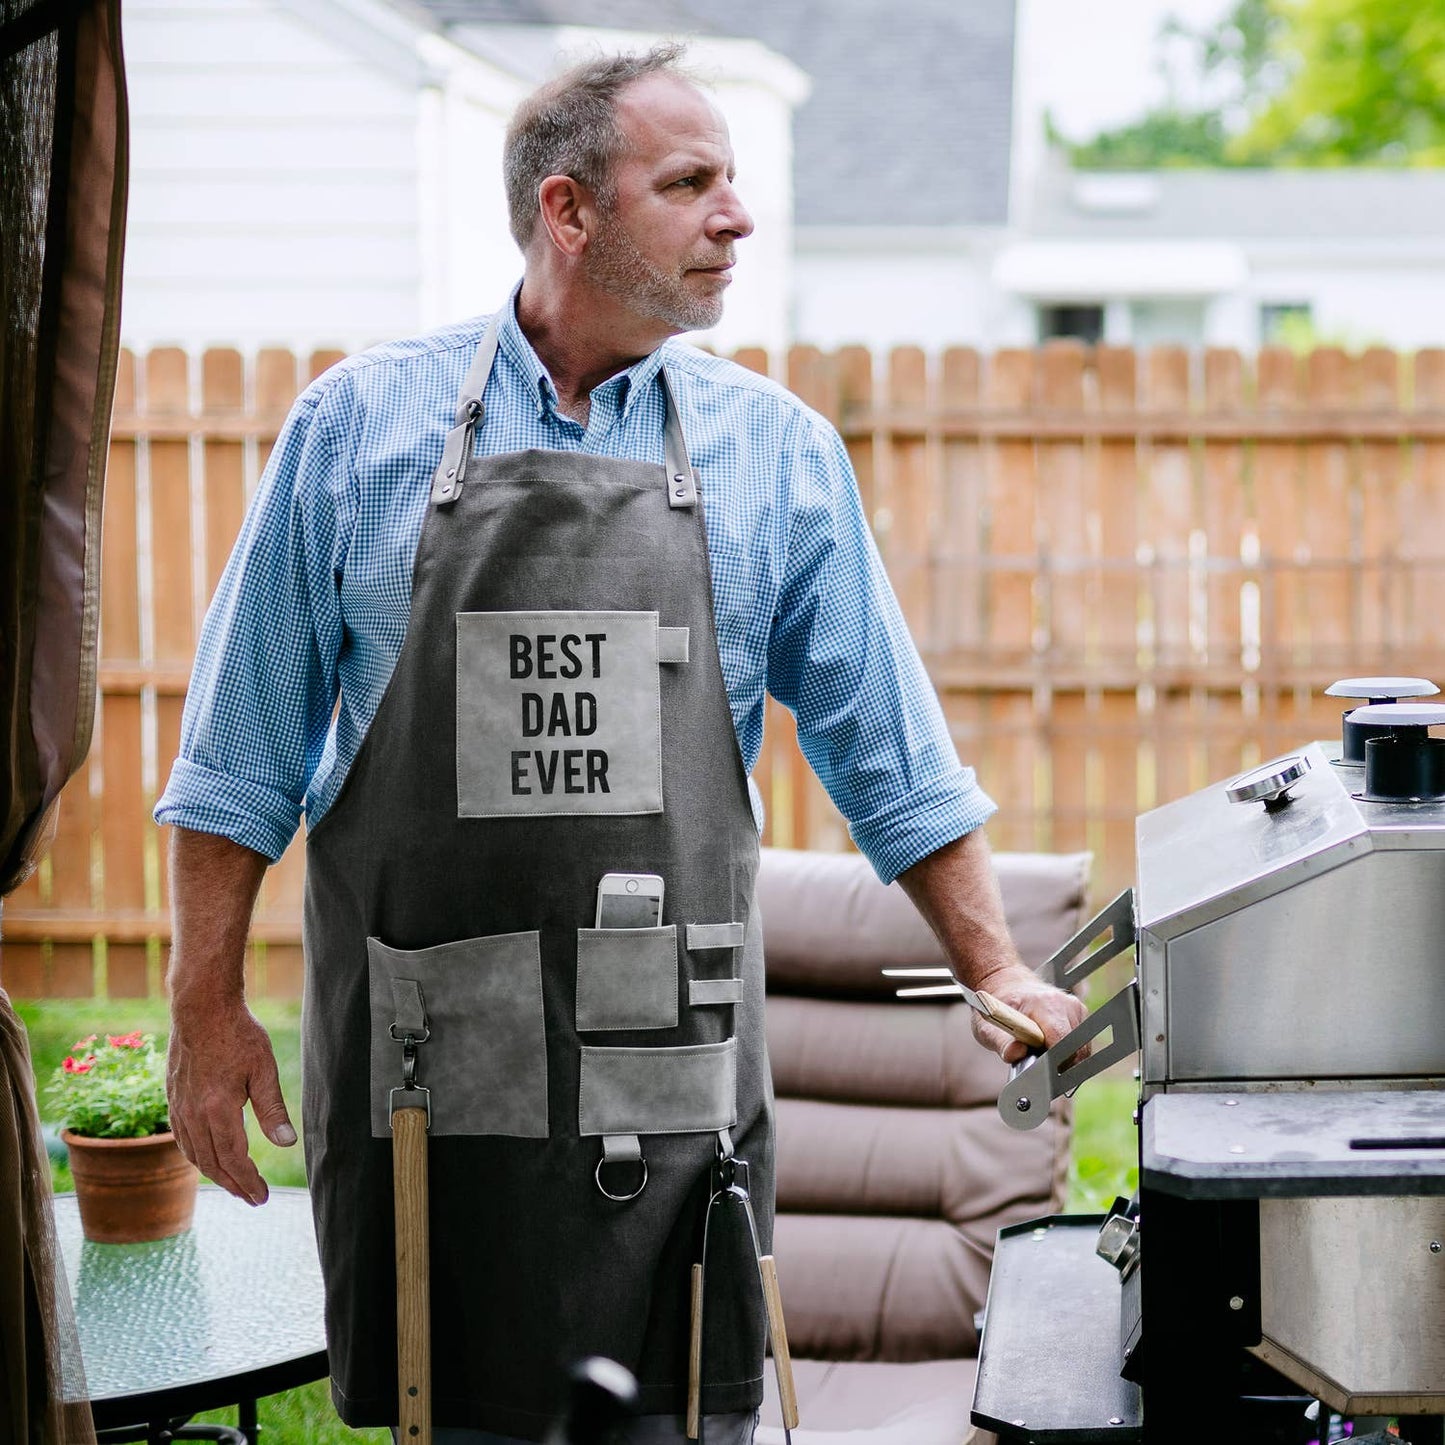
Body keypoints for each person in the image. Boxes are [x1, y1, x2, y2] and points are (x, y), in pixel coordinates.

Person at [155, 44, 1085, 1445]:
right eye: (690, 182)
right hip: (429, 1082)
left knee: (686, 1407)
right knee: (443, 1402)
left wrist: (991, 961)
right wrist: (202, 1005)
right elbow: (240, 751)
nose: (736, 217)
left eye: (731, 181)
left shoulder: (772, 451)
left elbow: (888, 752)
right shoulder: (359, 429)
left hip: (670, 1082)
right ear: (568, 210)